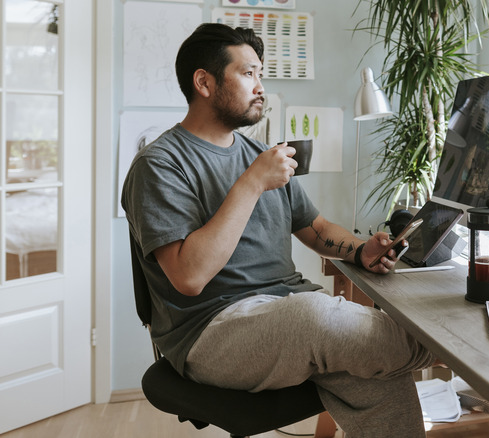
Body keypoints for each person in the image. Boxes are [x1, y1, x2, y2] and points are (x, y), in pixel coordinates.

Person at [121, 23, 435, 437]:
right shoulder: (160, 165)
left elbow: (314, 227)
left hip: (288, 312)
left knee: (376, 372)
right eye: (248, 73)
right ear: (205, 82)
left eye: (261, 74)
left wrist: (362, 250)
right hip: (211, 331)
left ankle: (441, 346)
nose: (260, 86)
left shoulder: (257, 154)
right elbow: (189, 277)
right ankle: (457, 349)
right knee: (318, 317)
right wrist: (251, 183)